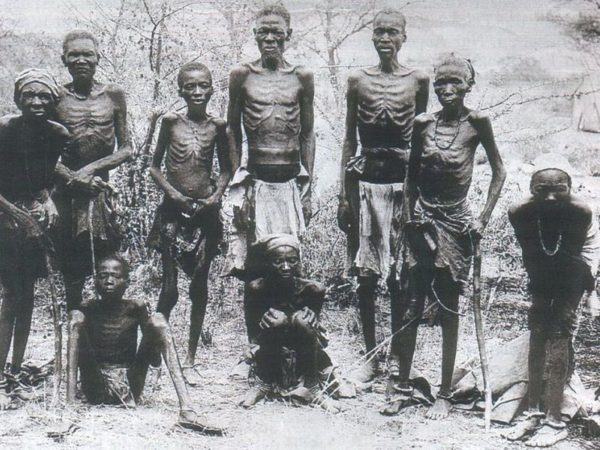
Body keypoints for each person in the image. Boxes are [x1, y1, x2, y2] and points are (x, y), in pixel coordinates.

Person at [392, 54, 506, 419]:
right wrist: (410, 219)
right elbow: (410, 179)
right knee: (411, 303)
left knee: (448, 308)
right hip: (421, 220)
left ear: (469, 85)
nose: (447, 89)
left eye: (455, 82)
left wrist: (482, 220)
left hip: (456, 224)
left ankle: (443, 393)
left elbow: (499, 173)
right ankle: (403, 386)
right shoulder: (423, 123)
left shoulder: (478, 124)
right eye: (441, 82)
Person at [337, 8, 429, 383]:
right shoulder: (358, 79)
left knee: (399, 277)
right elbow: (349, 137)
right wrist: (344, 195)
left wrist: (417, 193)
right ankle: (370, 354)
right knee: (366, 276)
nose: (385, 39)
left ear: (404, 37)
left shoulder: (418, 79)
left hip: (401, 189)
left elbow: (421, 138)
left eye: (392, 32)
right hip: (365, 185)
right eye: (379, 32)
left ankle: (394, 355)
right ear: (372, 37)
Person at [223, 3, 316, 346]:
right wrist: (238, 183)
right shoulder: (242, 75)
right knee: (255, 268)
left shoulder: (301, 77)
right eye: (263, 31)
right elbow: (232, 129)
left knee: (290, 262)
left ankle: (294, 341)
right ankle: (256, 346)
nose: (270, 38)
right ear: (255, 35)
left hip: (290, 182)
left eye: (277, 31)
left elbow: (307, 132)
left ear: (288, 35)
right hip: (256, 182)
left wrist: (308, 186)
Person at [66, 254, 224, 435]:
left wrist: (153, 344)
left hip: (131, 383)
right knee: (75, 317)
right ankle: (68, 411)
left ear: (127, 281)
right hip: (94, 383)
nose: (108, 281)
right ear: (95, 281)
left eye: (115, 276)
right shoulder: (88, 308)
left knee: (158, 319)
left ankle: (187, 411)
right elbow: (80, 354)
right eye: (102, 276)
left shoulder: (136, 307)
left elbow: (153, 357)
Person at [502, 168, 600, 447]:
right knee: (537, 334)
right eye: (542, 189)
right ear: (531, 189)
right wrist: (540, 299)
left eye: (559, 189)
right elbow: (533, 257)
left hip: (578, 268)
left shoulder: (580, 212)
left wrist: (568, 303)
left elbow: (569, 261)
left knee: (559, 335)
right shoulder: (521, 211)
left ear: (571, 188)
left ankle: (554, 420)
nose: (551, 196)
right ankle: (533, 412)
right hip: (545, 272)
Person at [147, 62, 231, 386]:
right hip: (173, 211)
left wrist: (215, 197)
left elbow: (226, 168)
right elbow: (154, 168)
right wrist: (175, 195)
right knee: (169, 291)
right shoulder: (170, 122)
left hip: (205, 214)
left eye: (203, 86)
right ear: (181, 89)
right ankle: (155, 349)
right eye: (190, 86)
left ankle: (192, 358)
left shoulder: (218, 125)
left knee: (199, 287)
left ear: (212, 88)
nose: (197, 92)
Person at [0, 69, 70, 409]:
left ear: (53, 101)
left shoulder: (57, 134)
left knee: (27, 294)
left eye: (44, 96)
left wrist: (47, 198)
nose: (37, 101)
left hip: (31, 218)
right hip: (5, 216)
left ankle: (14, 369)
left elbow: (46, 175)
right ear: (18, 99)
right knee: (12, 294)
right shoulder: (3, 129)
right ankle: (0, 375)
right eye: (29, 95)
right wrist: (16, 214)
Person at [54, 30, 133, 311]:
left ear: (98, 57)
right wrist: (74, 178)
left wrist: (91, 170)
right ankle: (75, 341)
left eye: (87, 54)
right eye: (74, 54)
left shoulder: (113, 94)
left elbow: (126, 148)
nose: (81, 60)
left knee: (108, 267)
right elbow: (44, 153)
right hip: (66, 195)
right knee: (72, 272)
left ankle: (106, 340)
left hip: (101, 194)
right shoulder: (55, 96)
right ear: (64, 59)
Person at [240, 234, 338, 412]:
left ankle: (313, 386)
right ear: (268, 262)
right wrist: (253, 346)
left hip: (303, 348)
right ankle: (263, 383)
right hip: (270, 349)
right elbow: (253, 332)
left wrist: (310, 318)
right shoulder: (256, 289)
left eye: (292, 261)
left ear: (299, 261)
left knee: (302, 319)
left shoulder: (314, 290)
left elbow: (316, 331)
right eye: (278, 261)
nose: (285, 267)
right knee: (276, 319)